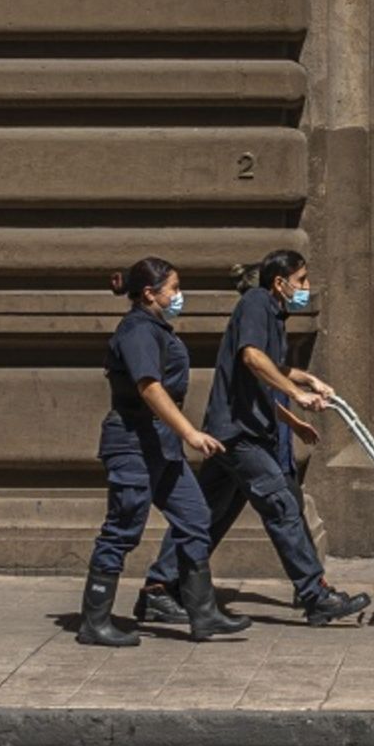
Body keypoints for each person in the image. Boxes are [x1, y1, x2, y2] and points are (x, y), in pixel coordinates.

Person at [142, 249, 374, 630]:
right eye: (301, 280)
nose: (306, 288)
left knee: (205, 515)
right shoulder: (256, 304)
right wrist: (296, 396)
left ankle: (159, 587)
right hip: (240, 436)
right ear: (279, 283)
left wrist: (304, 379)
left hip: (238, 433)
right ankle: (315, 596)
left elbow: (264, 370)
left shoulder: (272, 313)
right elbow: (251, 357)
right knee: (281, 507)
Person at [78, 256, 244, 648]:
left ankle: (203, 615)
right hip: (132, 444)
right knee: (123, 527)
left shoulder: (156, 329)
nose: (179, 295)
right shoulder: (137, 331)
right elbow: (149, 387)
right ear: (150, 293)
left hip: (159, 447)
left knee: (195, 516)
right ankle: (94, 622)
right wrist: (190, 433)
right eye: (173, 288)